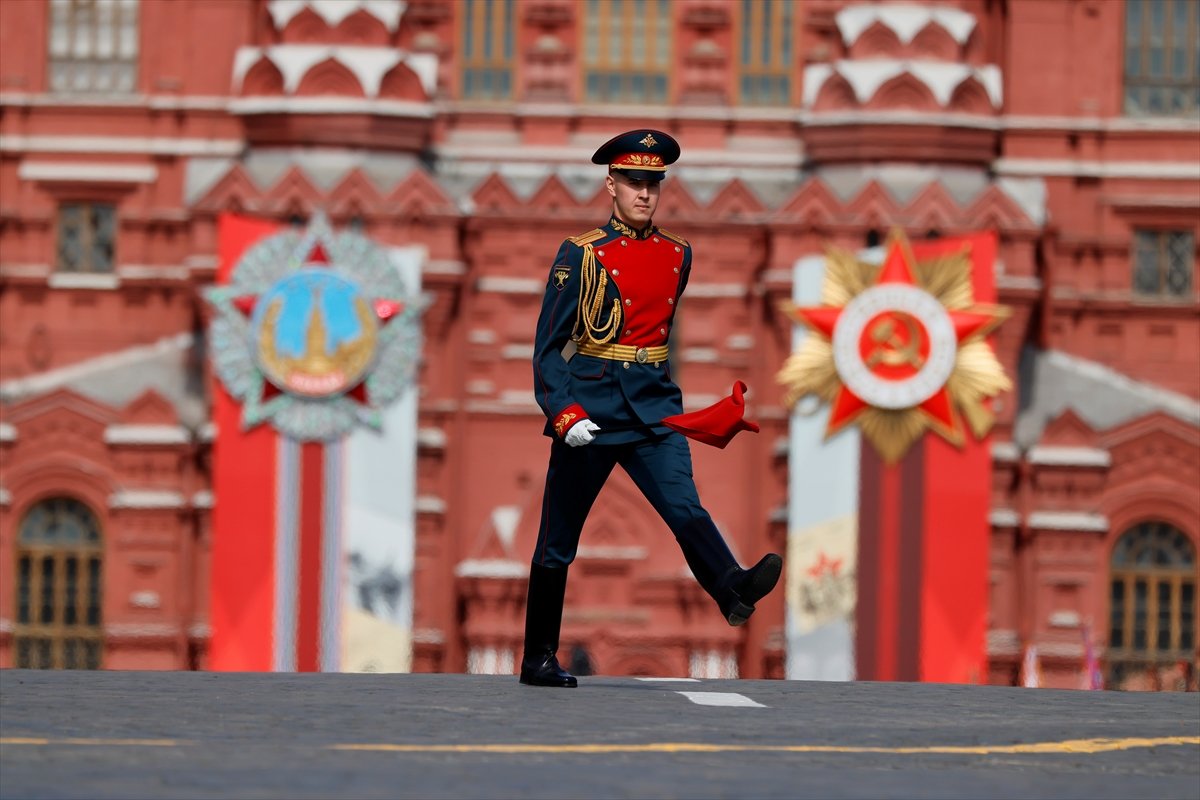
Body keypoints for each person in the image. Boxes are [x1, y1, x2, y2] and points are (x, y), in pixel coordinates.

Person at [520, 129, 783, 688]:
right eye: (634, 182)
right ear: (611, 185)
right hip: (592, 411)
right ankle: (538, 657)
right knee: (556, 543)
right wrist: (564, 413)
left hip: (653, 407)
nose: (644, 193)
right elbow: (549, 346)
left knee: (684, 506)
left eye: (653, 184)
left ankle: (732, 587)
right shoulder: (582, 254)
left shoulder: (677, 254)